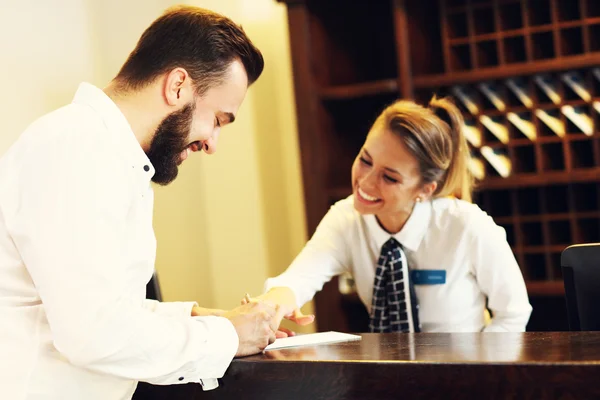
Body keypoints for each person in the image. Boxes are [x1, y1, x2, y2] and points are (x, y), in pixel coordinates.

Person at [0, 6, 283, 400]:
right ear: (178, 86)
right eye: (218, 119)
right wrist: (227, 335)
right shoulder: (75, 148)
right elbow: (93, 334)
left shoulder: (110, 158)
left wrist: (198, 316)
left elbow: (101, 305)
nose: (212, 144)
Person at [252, 96, 533, 333]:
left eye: (389, 178)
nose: (366, 182)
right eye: (365, 160)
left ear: (424, 189)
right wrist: (269, 307)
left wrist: (480, 376)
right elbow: (299, 279)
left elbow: (513, 312)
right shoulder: (346, 219)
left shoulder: (467, 226)